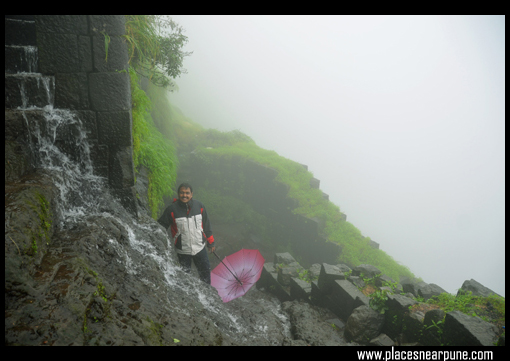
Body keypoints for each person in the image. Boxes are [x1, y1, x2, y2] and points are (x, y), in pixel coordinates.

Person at [158, 182, 215, 284]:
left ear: (191, 194)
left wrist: (211, 242)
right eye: (182, 193)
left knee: (205, 274)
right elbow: (161, 226)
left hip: (199, 247)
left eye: (187, 193)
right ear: (178, 194)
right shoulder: (172, 209)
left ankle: (207, 293)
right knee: (184, 277)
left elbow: (206, 224)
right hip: (183, 250)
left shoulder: (199, 206)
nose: (184, 195)